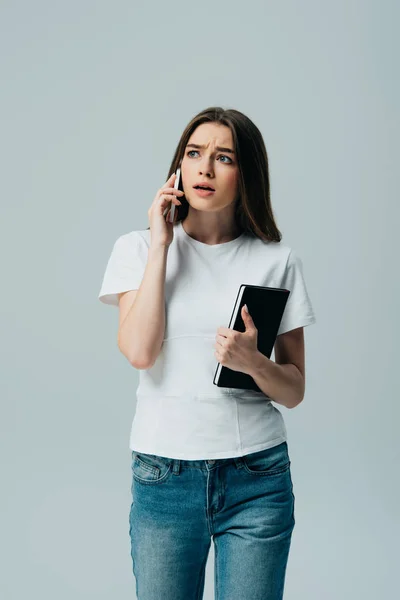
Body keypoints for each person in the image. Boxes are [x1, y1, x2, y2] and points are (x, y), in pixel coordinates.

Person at [98, 106, 316, 600]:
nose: (205, 168)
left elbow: (295, 389)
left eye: (224, 157)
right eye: (194, 153)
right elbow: (138, 351)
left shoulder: (276, 261)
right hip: (165, 476)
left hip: (256, 478)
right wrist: (161, 244)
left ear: (247, 174)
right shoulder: (137, 249)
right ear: (178, 165)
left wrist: (253, 363)